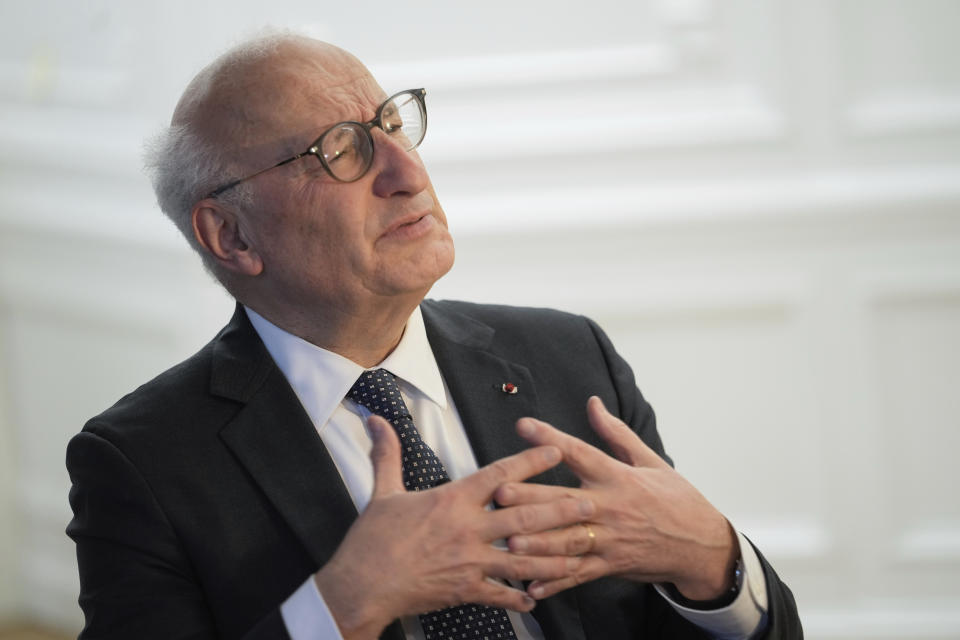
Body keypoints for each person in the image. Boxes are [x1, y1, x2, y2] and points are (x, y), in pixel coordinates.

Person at [66, 33, 802, 640]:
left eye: (392, 124)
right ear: (231, 234)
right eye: (341, 150)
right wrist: (341, 606)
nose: (407, 171)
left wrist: (715, 567)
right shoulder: (142, 462)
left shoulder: (570, 359)